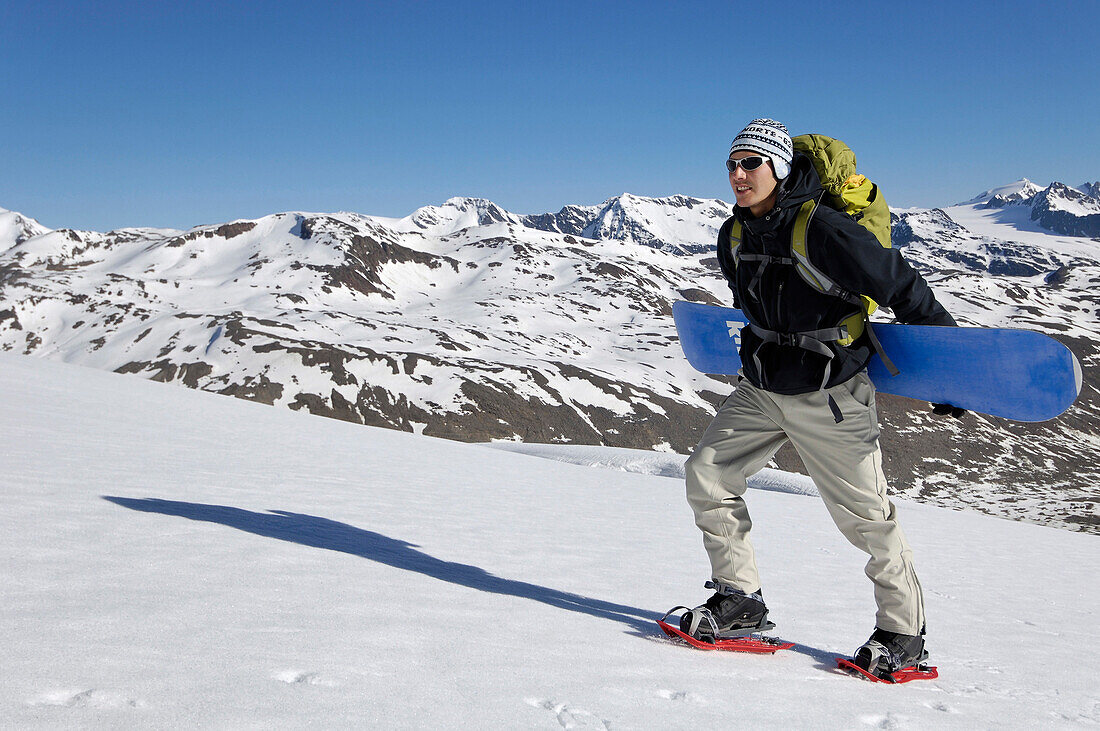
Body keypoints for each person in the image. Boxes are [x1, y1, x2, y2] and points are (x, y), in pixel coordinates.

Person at [678, 118, 959, 678]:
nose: (738, 174)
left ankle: (902, 636)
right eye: (732, 164)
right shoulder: (733, 234)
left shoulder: (823, 228)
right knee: (707, 476)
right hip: (762, 388)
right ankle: (740, 601)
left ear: (779, 168)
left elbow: (900, 284)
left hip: (830, 394)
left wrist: (946, 370)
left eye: (752, 163)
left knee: (866, 520)